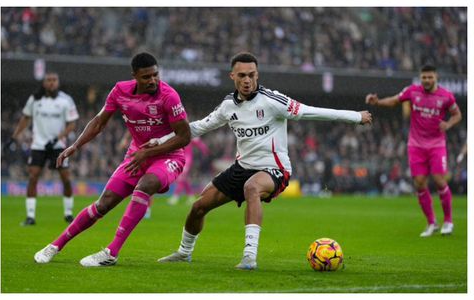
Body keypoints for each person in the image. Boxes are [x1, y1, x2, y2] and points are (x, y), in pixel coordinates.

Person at [156, 52, 372, 270]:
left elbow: (311, 112)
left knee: (252, 188)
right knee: (198, 207)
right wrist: (160, 140)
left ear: (257, 75)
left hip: (274, 169)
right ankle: (184, 253)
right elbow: (198, 127)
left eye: (251, 75)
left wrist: (355, 116)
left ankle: (249, 257)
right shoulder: (228, 105)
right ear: (232, 76)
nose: (247, 80)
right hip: (242, 167)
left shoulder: (273, 101)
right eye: (242, 75)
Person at [33, 52, 191, 266]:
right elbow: (99, 122)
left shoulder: (168, 96)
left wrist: (148, 152)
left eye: (155, 75)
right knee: (103, 203)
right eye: (146, 77)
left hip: (168, 156)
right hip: (137, 155)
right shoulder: (120, 91)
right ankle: (55, 245)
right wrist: (75, 145)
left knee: (145, 186)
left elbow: (184, 136)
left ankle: (111, 253)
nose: (153, 80)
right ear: (134, 75)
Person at [365, 65, 462, 237]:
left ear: (436, 77)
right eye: (424, 77)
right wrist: (378, 102)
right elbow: (395, 101)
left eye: (430, 77)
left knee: (439, 180)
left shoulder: (446, 96)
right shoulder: (412, 91)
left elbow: (457, 115)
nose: (427, 80)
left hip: (436, 145)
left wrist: (448, 124)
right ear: (420, 78)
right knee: (419, 183)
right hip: (416, 145)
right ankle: (431, 223)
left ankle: (448, 221)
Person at [8, 71, 79, 226]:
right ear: (44, 82)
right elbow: (25, 118)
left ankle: (68, 214)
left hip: (58, 146)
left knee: (66, 178)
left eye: (54, 80)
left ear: (58, 82)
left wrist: (56, 139)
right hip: (38, 145)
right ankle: (30, 216)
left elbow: (72, 124)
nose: (51, 82)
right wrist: (14, 137)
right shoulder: (34, 99)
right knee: (33, 177)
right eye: (49, 80)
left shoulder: (66, 100)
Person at [167, 137, 210, 205]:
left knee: (181, 178)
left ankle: (175, 197)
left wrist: (206, 152)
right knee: (184, 180)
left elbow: (199, 143)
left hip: (187, 160)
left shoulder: (189, 134)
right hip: (179, 159)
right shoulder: (179, 134)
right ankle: (191, 197)